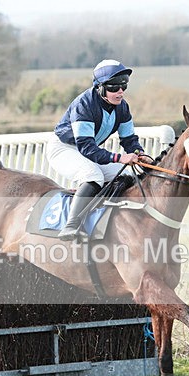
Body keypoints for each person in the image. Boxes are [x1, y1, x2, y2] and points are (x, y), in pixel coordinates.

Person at [47, 59, 145, 242]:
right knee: (93, 175)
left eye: (124, 85)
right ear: (100, 87)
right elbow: (86, 147)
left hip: (87, 150)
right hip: (63, 149)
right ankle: (71, 225)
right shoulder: (84, 105)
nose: (120, 91)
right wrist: (119, 157)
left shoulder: (122, 107)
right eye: (114, 87)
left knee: (128, 176)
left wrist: (141, 154)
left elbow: (129, 140)